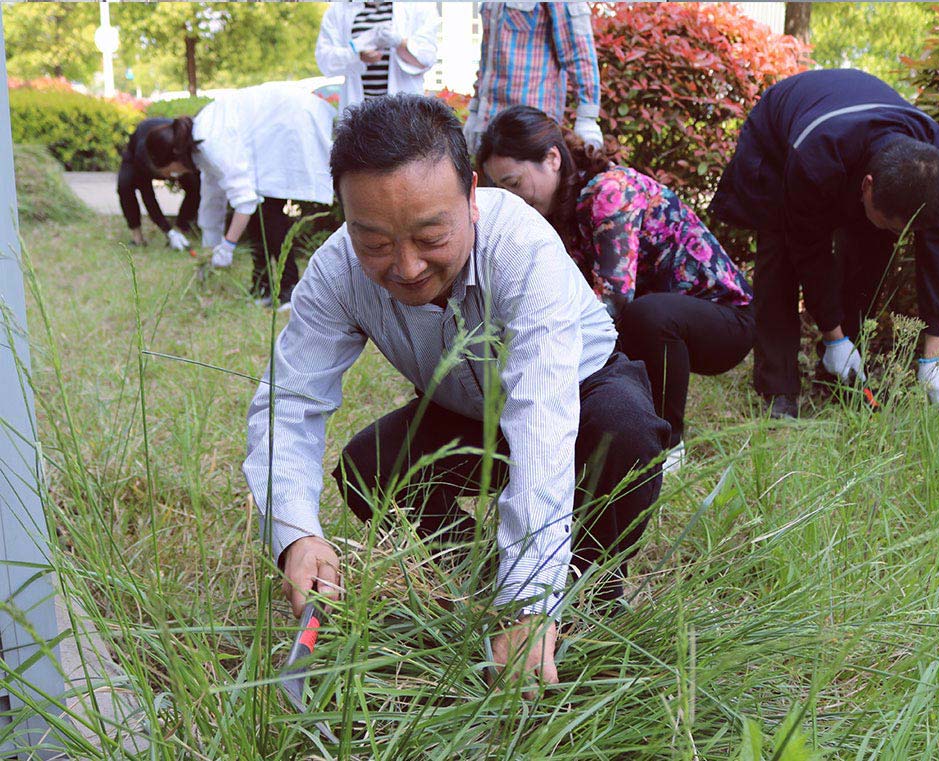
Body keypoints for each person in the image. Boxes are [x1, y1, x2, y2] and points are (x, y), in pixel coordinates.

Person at [243, 95, 668, 690]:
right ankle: (479, 579)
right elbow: (290, 401)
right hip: (464, 407)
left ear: (471, 195)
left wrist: (530, 596)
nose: (407, 267)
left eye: (430, 235)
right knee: (369, 467)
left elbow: (542, 418)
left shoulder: (520, 246)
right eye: (375, 242)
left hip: (578, 391)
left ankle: (586, 593)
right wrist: (296, 534)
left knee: (627, 433)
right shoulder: (335, 270)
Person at [478, 105, 753, 471]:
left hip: (727, 321)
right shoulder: (554, 212)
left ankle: (668, 447)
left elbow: (613, 301)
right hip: (665, 319)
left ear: (552, 159)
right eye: (502, 189)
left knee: (640, 316)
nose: (512, 198)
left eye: (514, 183)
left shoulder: (609, 191)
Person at [711, 69, 939, 418]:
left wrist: (936, 349)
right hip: (783, 137)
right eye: (890, 224)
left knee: (871, 255)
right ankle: (778, 389)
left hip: (856, 137)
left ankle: (839, 378)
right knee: (780, 257)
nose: (898, 236)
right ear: (868, 186)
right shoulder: (815, 157)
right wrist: (834, 336)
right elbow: (808, 249)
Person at [148, 84, 336, 309]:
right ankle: (262, 287)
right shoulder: (200, 144)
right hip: (268, 134)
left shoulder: (211, 144)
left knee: (269, 214)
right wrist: (210, 250)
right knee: (259, 218)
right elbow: (212, 199)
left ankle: (289, 289)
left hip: (287, 122)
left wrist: (228, 246)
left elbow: (245, 200)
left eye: (169, 171)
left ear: (173, 156)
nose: (173, 175)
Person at [462, 2, 603, 155]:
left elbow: (579, 54)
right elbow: (488, 59)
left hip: (531, 130)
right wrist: (475, 110)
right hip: (489, 125)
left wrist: (587, 118)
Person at [315, 1, 440, 113]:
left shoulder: (419, 5)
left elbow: (426, 59)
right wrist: (357, 55)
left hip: (404, 113)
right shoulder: (340, 8)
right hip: (359, 112)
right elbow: (325, 61)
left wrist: (398, 42)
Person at [118, 117, 200, 251]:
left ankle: (181, 230)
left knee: (194, 185)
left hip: (170, 152)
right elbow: (148, 196)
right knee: (125, 185)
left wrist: (178, 229)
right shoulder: (143, 156)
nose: (173, 177)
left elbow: (197, 191)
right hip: (138, 152)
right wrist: (167, 230)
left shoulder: (184, 151)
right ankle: (137, 237)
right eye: (171, 173)